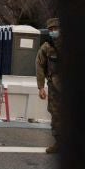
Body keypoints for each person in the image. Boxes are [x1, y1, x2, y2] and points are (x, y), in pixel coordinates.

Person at [36, 17, 61, 154]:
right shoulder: (47, 47)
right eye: (50, 29)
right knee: (55, 114)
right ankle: (59, 142)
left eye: (55, 29)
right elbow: (39, 66)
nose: (53, 31)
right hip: (55, 87)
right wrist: (41, 87)